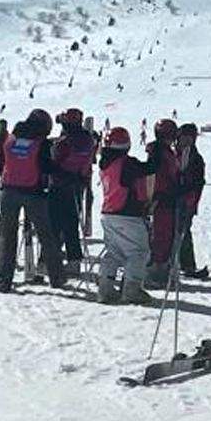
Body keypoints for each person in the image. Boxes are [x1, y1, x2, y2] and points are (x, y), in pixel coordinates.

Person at [0, 109, 65, 292]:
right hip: (33, 193)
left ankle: (3, 279)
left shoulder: (11, 140)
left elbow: (2, 161)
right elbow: (47, 166)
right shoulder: (41, 143)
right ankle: (56, 276)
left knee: (8, 237)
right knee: (46, 236)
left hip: (8, 191)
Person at [97, 126, 154, 304]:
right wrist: (155, 153)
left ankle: (105, 287)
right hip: (127, 213)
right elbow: (150, 168)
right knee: (138, 251)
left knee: (114, 252)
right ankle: (132, 289)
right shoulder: (126, 163)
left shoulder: (106, 163)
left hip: (109, 212)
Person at [49, 108, 95, 272]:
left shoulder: (65, 142)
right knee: (72, 223)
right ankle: (74, 260)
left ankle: (49, 260)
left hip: (59, 184)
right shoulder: (87, 139)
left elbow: (55, 161)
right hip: (77, 183)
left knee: (54, 224)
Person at [144, 118, 183, 285]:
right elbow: (157, 177)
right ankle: (155, 269)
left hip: (166, 198)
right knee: (161, 235)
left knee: (165, 235)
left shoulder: (164, 151)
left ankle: (160, 267)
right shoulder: (160, 153)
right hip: (162, 199)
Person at [175, 123, 207, 278]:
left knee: (182, 230)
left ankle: (187, 264)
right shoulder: (177, 153)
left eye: (188, 138)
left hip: (186, 200)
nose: (184, 141)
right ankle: (182, 262)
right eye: (182, 138)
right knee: (179, 230)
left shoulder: (194, 158)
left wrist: (191, 199)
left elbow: (197, 182)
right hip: (177, 199)